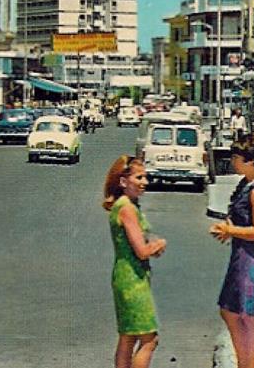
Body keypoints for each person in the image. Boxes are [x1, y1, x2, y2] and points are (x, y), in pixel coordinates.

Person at [211, 133, 254, 368]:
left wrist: (231, 230)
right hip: (241, 255)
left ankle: (251, 365)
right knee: (230, 310)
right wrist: (229, 229)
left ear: (251, 160)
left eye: (236, 158)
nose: (233, 162)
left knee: (251, 315)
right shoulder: (245, 185)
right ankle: (244, 362)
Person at [103, 155, 167, 368]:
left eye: (145, 177)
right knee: (150, 339)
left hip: (126, 275)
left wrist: (151, 247)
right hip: (132, 279)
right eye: (139, 177)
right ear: (123, 181)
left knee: (128, 337)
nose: (144, 182)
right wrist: (158, 245)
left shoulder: (126, 205)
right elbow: (141, 251)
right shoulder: (127, 208)